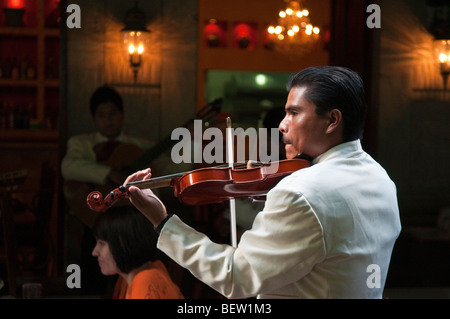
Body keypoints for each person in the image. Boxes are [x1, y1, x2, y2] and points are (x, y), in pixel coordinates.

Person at [123, 66, 402, 299]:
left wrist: (162, 222)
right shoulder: (381, 179)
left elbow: (236, 276)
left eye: (294, 113)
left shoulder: (299, 192)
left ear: (332, 120)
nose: (282, 124)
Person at [61, 85, 153, 295]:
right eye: (101, 115)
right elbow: (68, 166)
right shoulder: (81, 143)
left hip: (127, 221)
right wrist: (109, 172)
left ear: (122, 115)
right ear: (94, 119)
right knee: (91, 265)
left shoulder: (139, 145)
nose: (108, 119)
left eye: (113, 113)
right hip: (93, 218)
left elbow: (168, 165)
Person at [92, 206, 184, 299]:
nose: (94, 252)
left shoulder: (145, 280)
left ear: (125, 243)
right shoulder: (126, 280)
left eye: (102, 243)